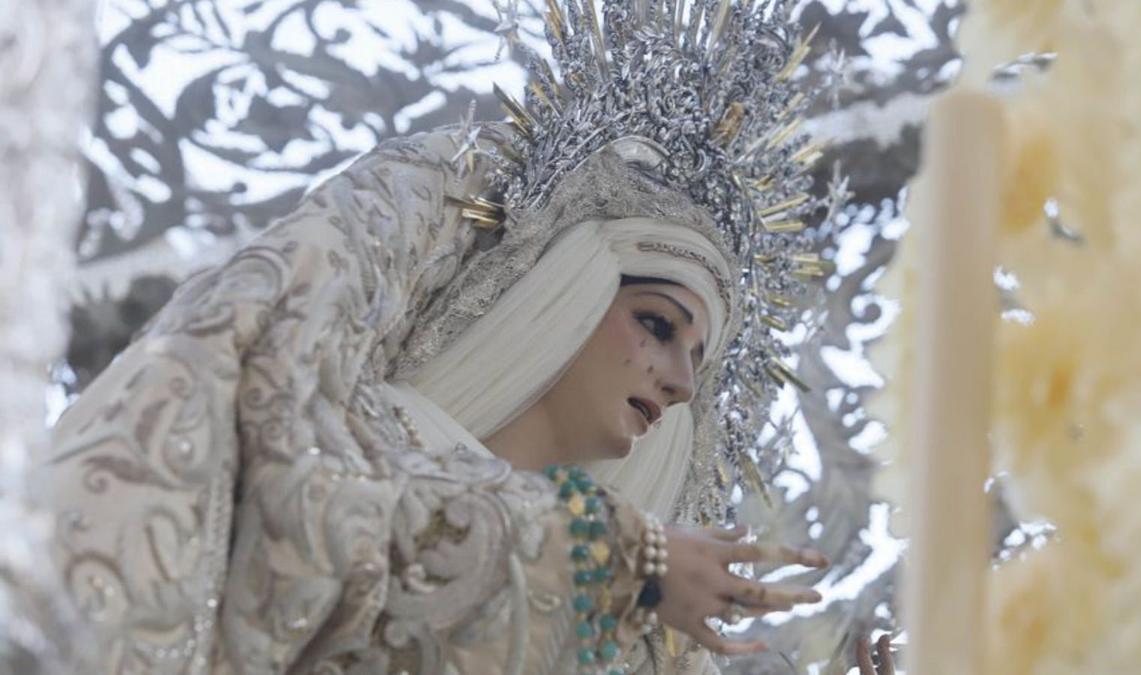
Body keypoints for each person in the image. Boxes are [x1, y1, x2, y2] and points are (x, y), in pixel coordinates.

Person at [36, 1, 893, 673]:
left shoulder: (627, 619)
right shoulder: (365, 432)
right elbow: (312, 528)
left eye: (696, 367)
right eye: (658, 326)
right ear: (569, 287)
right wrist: (613, 556)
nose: (676, 383)